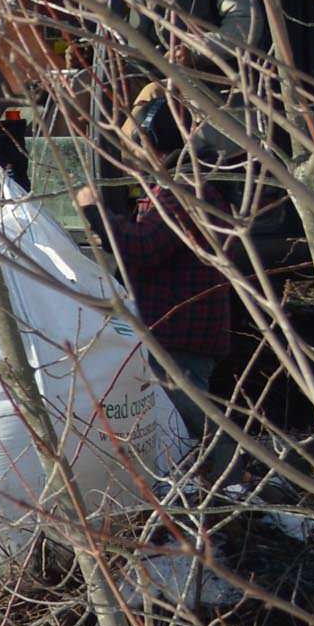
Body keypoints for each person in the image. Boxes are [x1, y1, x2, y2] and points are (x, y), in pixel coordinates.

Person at [74, 87, 238, 457]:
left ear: (160, 144)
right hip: (176, 327)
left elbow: (143, 247)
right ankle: (215, 484)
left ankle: (234, 481)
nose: (140, 153)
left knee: (196, 418)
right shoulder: (178, 184)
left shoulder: (183, 188)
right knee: (184, 421)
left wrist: (95, 212)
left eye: (145, 143)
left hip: (181, 330)